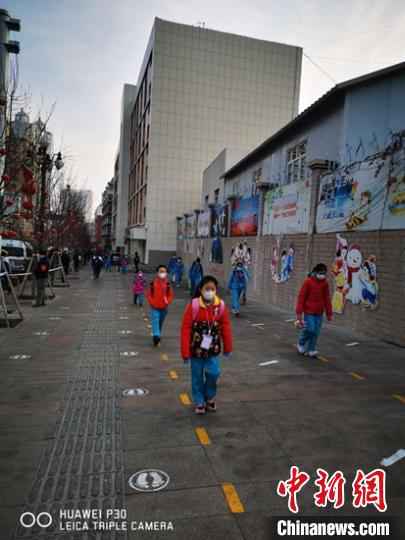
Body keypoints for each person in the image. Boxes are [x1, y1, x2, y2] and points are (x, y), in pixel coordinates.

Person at [181, 275, 232, 415]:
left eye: (212, 289)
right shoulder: (194, 305)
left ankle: (209, 396)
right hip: (196, 350)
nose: (209, 291)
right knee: (197, 376)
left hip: (212, 350)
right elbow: (185, 329)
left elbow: (226, 326)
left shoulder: (220, 306)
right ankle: (199, 401)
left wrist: (228, 347)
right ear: (201, 289)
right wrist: (185, 352)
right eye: (207, 288)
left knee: (214, 373)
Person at [296, 263, 333, 357]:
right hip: (309, 312)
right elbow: (301, 297)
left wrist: (329, 313)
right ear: (315, 272)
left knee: (316, 332)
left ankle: (311, 349)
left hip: (319, 312)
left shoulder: (325, 283)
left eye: (324, 273)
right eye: (321, 273)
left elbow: (327, 298)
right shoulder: (308, 282)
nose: (322, 275)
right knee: (310, 329)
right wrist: (299, 314)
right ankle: (301, 343)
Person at [146, 265, 174, 347]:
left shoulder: (168, 284)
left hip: (164, 308)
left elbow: (171, 295)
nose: (163, 273)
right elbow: (149, 295)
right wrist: (152, 303)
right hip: (154, 308)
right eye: (161, 271)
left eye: (164, 271)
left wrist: (167, 302)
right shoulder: (152, 283)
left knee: (160, 322)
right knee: (155, 321)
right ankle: (156, 337)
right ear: (157, 272)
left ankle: (158, 334)